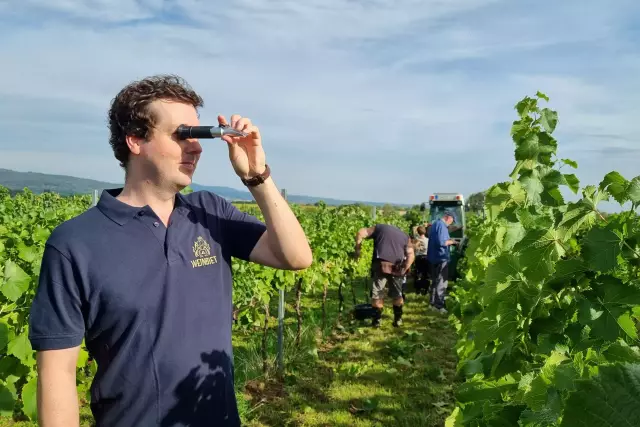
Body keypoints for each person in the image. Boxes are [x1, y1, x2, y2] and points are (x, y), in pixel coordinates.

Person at [28, 74, 313, 427]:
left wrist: (257, 175)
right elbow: (56, 372)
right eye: (183, 135)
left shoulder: (211, 213)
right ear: (135, 140)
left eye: (199, 134)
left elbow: (297, 257)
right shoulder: (75, 243)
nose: (196, 147)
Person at [354, 223, 415, 328]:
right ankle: (398, 319)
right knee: (397, 293)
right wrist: (405, 268)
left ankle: (377, 321)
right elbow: (410, 254)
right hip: (397, 267)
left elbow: (360, 232)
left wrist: (358, 249)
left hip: (381, 265)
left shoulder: (380, 228)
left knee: (378, 292)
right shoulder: (405, 236)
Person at [426, 211, 458, 313]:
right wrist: (453, 242)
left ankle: (432, 304)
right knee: (441, 282)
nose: (451, 223)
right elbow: (442, 242)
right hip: (441, 257)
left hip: (433, 257)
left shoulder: (435, 224)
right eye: (452, 221)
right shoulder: (442, 226)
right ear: (448, 217)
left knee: (435, 281)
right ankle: (439, 306)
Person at [412, 225, 430, 295]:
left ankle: (418, 289)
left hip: (418, 257)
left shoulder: (416, 240)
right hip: (426, 257)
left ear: (418, 232)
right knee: (426, 273)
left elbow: (414, 249)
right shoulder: (428, 240)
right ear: (425, 232)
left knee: (418, 273)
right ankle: (425, 289)